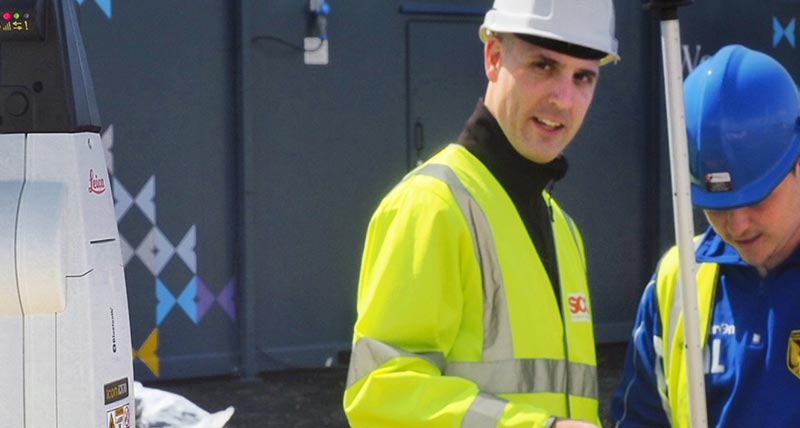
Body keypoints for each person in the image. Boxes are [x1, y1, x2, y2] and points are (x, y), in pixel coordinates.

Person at [343, 1, 619, 427]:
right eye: (544, 66)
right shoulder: (431, 205)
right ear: (493, 57)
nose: (564, 100)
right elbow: (381, 393)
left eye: (583, 77)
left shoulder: (563, 229)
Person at [611, 44, 800, 427]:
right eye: (717, 206)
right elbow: (640, 418)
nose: (738, 225)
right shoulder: (679, 276)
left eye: (758, 198)